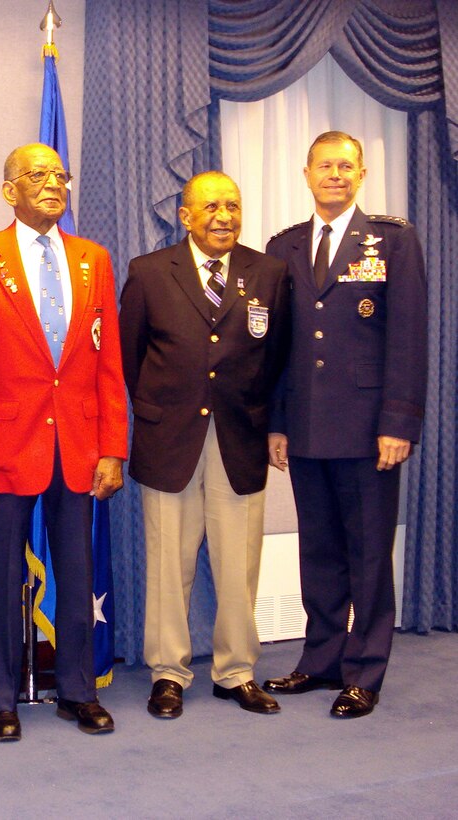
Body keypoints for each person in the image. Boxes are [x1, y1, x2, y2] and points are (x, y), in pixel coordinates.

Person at [0, 143, 126, 742]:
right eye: (37, 175)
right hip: (4, 445)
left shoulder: (93, 260)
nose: (53, 184)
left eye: (60, 175)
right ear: (8, 190)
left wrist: (113, 446)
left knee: (78, 573)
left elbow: (108, 363)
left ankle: (78, 690)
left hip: (78, 445)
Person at [263, 131, 428, 718]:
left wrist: (399, 422)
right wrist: (277, 423)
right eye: (324, 166)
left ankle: (365, 670)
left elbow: (408, 337)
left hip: (368, 430)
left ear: (360, 175)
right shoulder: (283, 247)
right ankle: (321, 659)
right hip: (306, 425)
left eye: (346, 166)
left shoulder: (392, 240)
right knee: (321, 550)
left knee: (368, 552)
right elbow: (279, 347)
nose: (335, 174)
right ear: (306, 173)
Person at [120, 171, 290, 720]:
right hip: (169, 440)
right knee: (168, 564)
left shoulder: (267, 272)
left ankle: (236, 671)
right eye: (211, 206)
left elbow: (278, 360)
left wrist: (272, 423)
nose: (224, 216)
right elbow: (129, 358)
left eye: (233, 205)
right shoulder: (149, 273)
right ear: (185, 215)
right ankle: (168, 672)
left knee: (239, 564)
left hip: (239, 439)